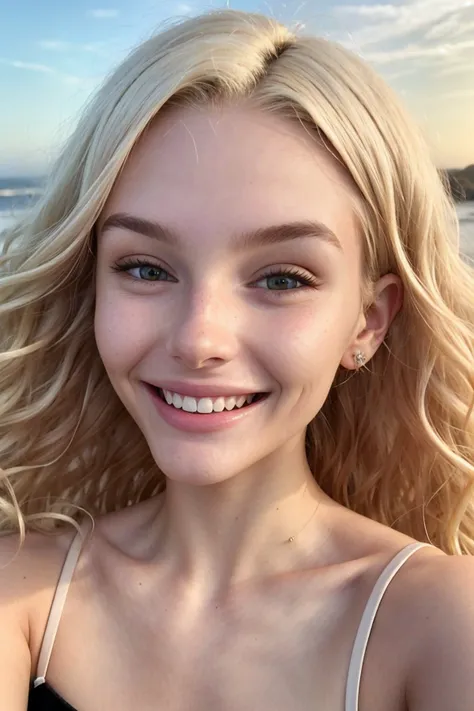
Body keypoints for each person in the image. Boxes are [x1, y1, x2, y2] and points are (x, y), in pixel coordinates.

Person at [1, 8, 473, 711]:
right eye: (146, 268)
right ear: (89, 283)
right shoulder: (24, 595)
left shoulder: (436, 623)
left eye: (282, 278)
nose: (199, 338)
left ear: (367, 324)